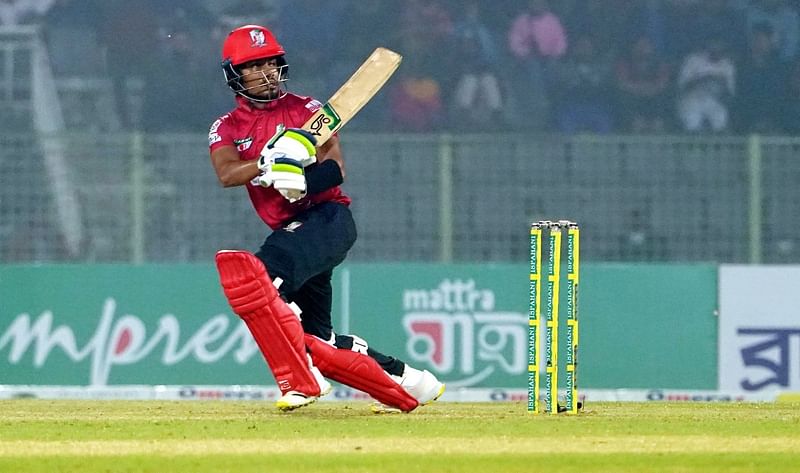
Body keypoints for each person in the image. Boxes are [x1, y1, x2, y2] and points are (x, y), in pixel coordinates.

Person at [207, 25, 445, 413]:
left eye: (271, 62)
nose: (267, 72)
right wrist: (266, 163)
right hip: (295, 232)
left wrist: (299, 179)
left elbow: (336, 170)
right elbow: (227, 174)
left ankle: (301, 376)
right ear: (235, 74)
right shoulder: (227, 127)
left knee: (260, 280)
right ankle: (412, 381)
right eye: (254, 66)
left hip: (328, 219)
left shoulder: (306, 110)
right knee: (321, 340)